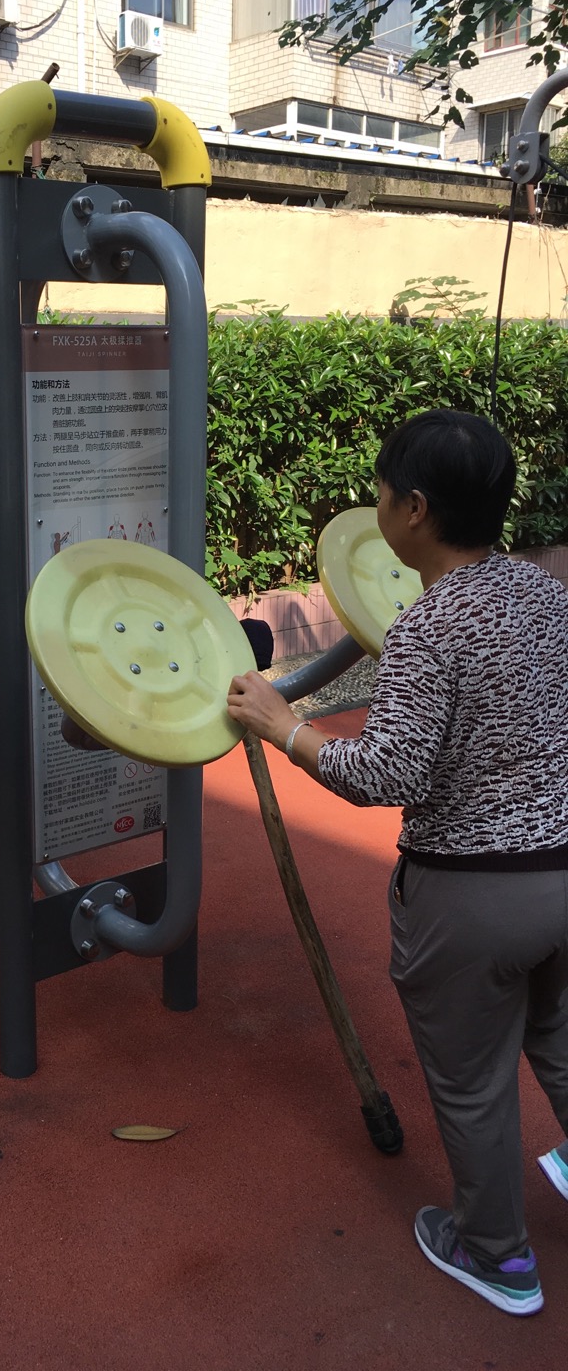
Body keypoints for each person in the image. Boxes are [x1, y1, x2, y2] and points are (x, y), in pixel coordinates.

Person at [226, 408, 568, 1318]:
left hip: (473, 898)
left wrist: (284, 726)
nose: (375, 506)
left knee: (473, 1082)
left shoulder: (428, 627)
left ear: (414, 510)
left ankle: (497, 1257)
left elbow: (384, 774)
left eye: (380, 492)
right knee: (559, 1037)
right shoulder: (546, 592)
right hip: (563, 873)